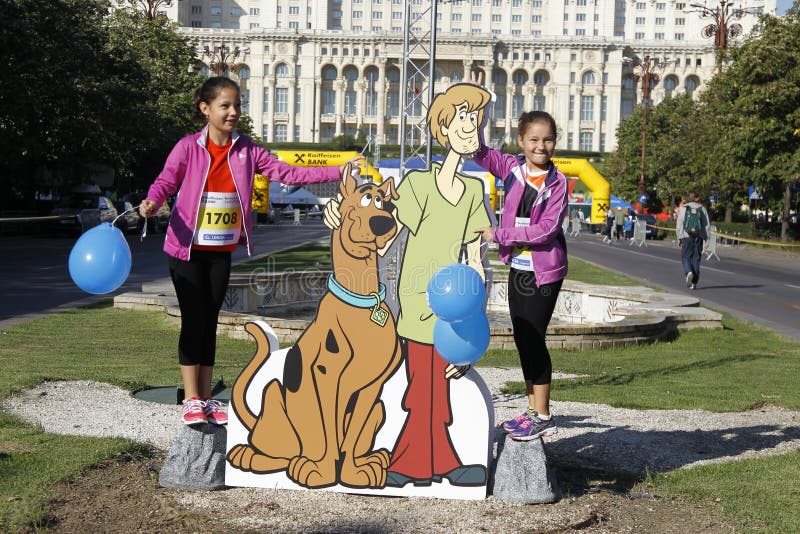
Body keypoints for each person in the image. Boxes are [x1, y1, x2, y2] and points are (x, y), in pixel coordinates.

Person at [140, 77, 363, 426]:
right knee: (193, 320)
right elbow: (167, 180)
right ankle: (192, 398)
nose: (233, 113)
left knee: (209, 322)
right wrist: (153, 200)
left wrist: (339, 170)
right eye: (225, 106)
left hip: (220, 249)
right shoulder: (188, 148)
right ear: (205, 109)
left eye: (237, 106)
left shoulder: (247, 151)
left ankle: (207, 400)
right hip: (186, 249)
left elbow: (289, 172)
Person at [324, 82, 493, 488]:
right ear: (445, 127)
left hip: (454, 305)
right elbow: (384, 232)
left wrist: (475, 320)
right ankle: (416, 464)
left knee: (438, 385)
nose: (472, 128)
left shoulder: (474, 190)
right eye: (465, 119)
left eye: (477, 120)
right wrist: (343, 214)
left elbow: (474, 258)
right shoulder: (418, 184)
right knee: (422, 387)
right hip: (418, 299)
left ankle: (432, 462)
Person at [473, 110, 568, 441]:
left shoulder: (559, 182)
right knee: (522, 339)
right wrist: (480, 121)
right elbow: (479, 152)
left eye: (548, 140)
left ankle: (542, 414)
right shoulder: (511, 169)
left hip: (544, 273)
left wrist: (498, 234)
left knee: (533, 340)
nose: (541, 146)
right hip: (519, 268)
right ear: (521, 141)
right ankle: (532, 412)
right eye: (534, 140)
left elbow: (546, 231)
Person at [675, 191, 710, 290]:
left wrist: (679, 238)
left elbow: (679, 224)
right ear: (697, 198)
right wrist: (706, 240)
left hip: (686, 236)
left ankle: (688, 271)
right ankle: (694, 282)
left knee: (686, 257)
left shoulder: (684, 208)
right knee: (696, 258)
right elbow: (706, 225)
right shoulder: (702, 209)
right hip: (698, 237)